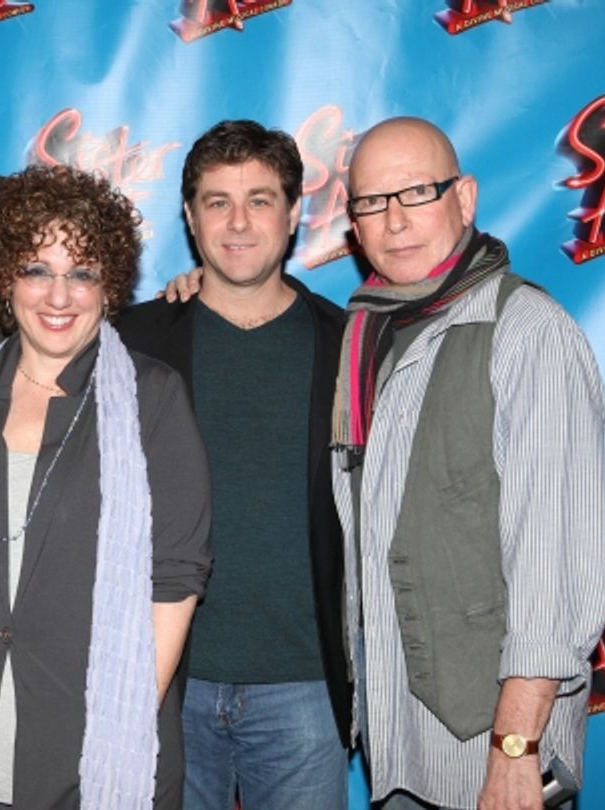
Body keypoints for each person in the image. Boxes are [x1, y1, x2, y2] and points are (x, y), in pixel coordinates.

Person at [0, 165, 213, 809]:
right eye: (37, 270)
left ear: (108, 284)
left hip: (88, 750)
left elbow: (173, 584)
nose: (59, 295)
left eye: (81, 272)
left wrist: (120, 720)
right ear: (5, 278)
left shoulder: (152, 399)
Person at [333, 116, 605, 809]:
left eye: (416, 193)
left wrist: (514, 751)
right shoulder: (366, 337)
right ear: (354, 225)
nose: (394, 220)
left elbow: (553, 566)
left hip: (490, 761)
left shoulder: (527, 334)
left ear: (465, 198)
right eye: (371, 202)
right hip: (401, 753)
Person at [119, 120, 350, 810]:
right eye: (217, 201)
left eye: (260, 199)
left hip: (306, 686)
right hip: (163, 682)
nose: (239, 221)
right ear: (190, 219)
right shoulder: (134, 341)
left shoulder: (351, 345)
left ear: (293, 213)